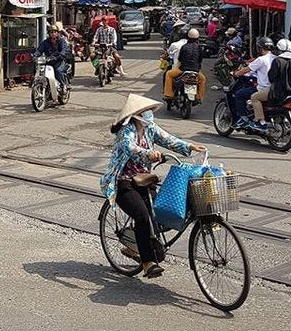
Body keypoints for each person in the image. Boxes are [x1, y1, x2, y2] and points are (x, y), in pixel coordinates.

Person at [100, 94, 206, 279]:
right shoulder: (126, 131)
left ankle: (136, 246)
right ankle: (148, 262)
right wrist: (149, 154)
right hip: (123, 183)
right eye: (145, 111)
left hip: (145, 180)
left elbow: (168, 139)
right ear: (136, 114)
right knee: (141, 216)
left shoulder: (150, 129)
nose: (149, 114)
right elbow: (132, 149)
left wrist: (189, 147)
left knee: (160, 215)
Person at [231, 37, 275, 129]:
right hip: (274, 88)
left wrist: (236, 73)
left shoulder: (261, 59)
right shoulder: (276, 58)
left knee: (239, 94)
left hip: (263, 88)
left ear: (260, 48)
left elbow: (246, 70)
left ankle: (244, 119)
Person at [163, 28, 206, 104]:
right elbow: (200, 60)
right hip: (195, 70)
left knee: (168, 74)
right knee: (203, 79)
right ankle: (199, 97)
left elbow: (180, 59)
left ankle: (169, 94)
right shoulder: (199, 47)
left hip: (183, 69)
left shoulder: (184, 46)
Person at [34, 24, 71, 88]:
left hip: (58, 61)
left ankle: (63, 85)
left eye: (54, 32)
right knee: (41, 71)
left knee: (58, 71)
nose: (53, 34)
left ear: (57, 33)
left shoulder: (61, 41)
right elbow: (39, 50)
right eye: (51, 32)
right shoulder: (45, 42)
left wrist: (59, 56)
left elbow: (64, 50)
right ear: (49, 33)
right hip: (48, 61)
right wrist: (35, 55)